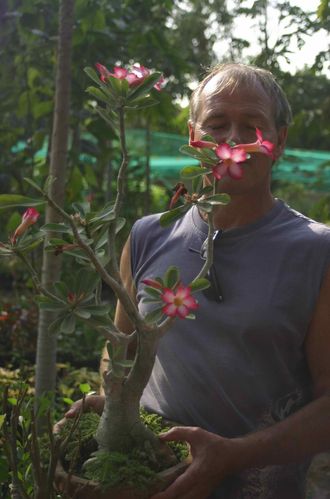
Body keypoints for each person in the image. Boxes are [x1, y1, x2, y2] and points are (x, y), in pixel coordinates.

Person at [66, 63, 330, 499]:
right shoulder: (148, 234)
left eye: (252, 126)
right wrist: (114, 403)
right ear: (193, 138)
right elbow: (121, 349)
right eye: (216, 124)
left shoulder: (317, 251)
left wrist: (235, 454)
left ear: (279, 141)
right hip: (148, 481)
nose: (231, 140)